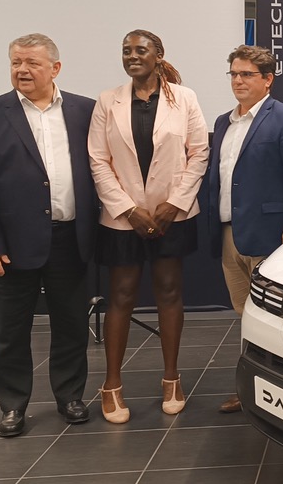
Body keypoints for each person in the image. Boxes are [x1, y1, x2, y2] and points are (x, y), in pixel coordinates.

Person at [0, 34, 98, 437]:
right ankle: (13, 406)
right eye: (16, 62)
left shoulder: (85, 110)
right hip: (12, 245)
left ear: (55, 68)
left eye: (32, 63)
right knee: (9, 332)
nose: (22, 70)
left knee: (71, 325)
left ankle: (70, 396)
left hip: (71, 238)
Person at [88, 29, 208, 423]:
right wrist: (128, 209)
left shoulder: (184, 98)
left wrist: (175, 204)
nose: (132, 56)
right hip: (122, 219)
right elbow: (98, 160)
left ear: (159, 55)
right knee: (121, 295)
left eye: (141, 50)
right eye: (126, 50)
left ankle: (172, 379)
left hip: (172, 215)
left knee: (169, 292)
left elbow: (199, 153)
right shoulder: (107, 100)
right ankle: (111, 385)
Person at [204, 45, 283, 413]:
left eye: (246, 74)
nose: (238, 81)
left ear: (267, 79)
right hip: (229, 235)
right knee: (246, 314)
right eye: (234, 74)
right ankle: (251, 389)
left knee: (275, 318)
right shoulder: (223, 122)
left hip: (271, 235)